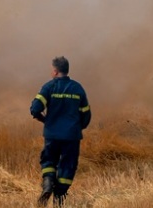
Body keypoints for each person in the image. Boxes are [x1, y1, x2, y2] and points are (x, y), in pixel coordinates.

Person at [30, 56, 91, 206]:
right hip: (71, 136)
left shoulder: (49, 87)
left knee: (49, 160)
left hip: (52, 135)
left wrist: (45, 120)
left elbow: (35, 108)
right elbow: (86, 114)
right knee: (68, 165)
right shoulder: (78, 88)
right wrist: (77, 127)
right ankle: (60, 196)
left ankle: (48, 183)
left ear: (56, 71)